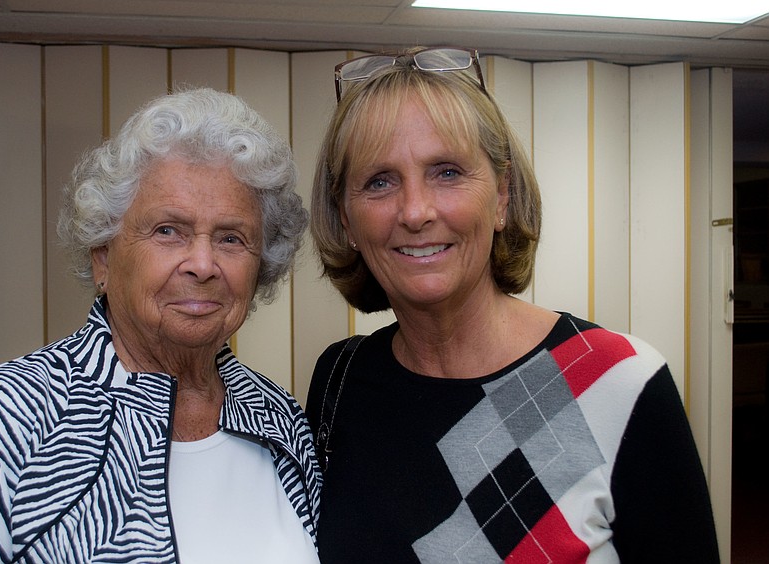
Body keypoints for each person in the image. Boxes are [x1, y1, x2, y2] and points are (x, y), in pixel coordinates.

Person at [306, 46, 719, 563]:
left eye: (447, 172)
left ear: (501, 196)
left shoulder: (617, 381)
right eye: (379, 181)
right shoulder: (341, 381)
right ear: (346, 219)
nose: (414, 211)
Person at [0, 87, 320, 563]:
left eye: (231, 238)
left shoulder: (280, 420)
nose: (202, 264)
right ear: (103, 257)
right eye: (168, 231)